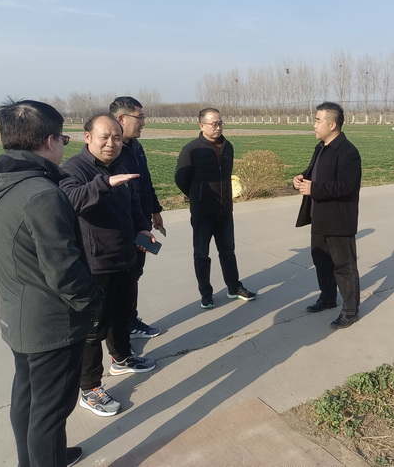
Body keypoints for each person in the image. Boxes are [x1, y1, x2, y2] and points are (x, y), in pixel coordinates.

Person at [0, 99, 104, 466]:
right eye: (63, 138)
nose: (63, 145)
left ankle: (35, 459)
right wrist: (94, 303)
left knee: (29, 397)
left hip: (17, 314)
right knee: (51, 410)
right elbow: (64, 270)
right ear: (49, 141)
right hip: (50, 323)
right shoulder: (41, 194)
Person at [60, 113, 157, 418]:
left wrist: (142, 228)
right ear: (87, 137)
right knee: (92, 329)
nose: (111, 143)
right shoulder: (73, 169)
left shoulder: (121, 165)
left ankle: (122, 358)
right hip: (95, 263)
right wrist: (104, 183)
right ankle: (90, 388)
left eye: (116, 137)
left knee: (121, 314)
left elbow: (135, 204)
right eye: (104, 137)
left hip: (124, 256)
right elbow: (71, 200)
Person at [175, 107, 256, 309]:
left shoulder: (228, 147)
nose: (218, 127)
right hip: (202, 212)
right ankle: (206, 293)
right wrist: (198, 196)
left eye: (220, 123)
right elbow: (181, 178)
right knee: (201, 254)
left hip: (224, 210)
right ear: (201, 125)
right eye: (214, 124)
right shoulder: (192, 149)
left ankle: (234, 287)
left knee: (228, 251)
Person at [293, 101, 362, 329]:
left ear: (332, 125)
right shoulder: (321, 148)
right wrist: (301, 178)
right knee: (321, 261)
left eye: (317, 120)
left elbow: (347, 185)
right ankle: (328, 297)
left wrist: (314, 189)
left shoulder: (348, 152)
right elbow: (313, 173)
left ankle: (350, 310)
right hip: (320, 216)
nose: (314, 125)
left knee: (344, 266)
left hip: (339, 219)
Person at [110, 96, 163, 339]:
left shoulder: (136, 147)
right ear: (122, 118)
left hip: (141, 223)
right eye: (139, 118)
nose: (143, 123)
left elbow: (145, 181)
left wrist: (155, 210)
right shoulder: (113, 151)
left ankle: (131, 320)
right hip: (124, 227)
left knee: (134, 275)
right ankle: (123, 328)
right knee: (124, 279)